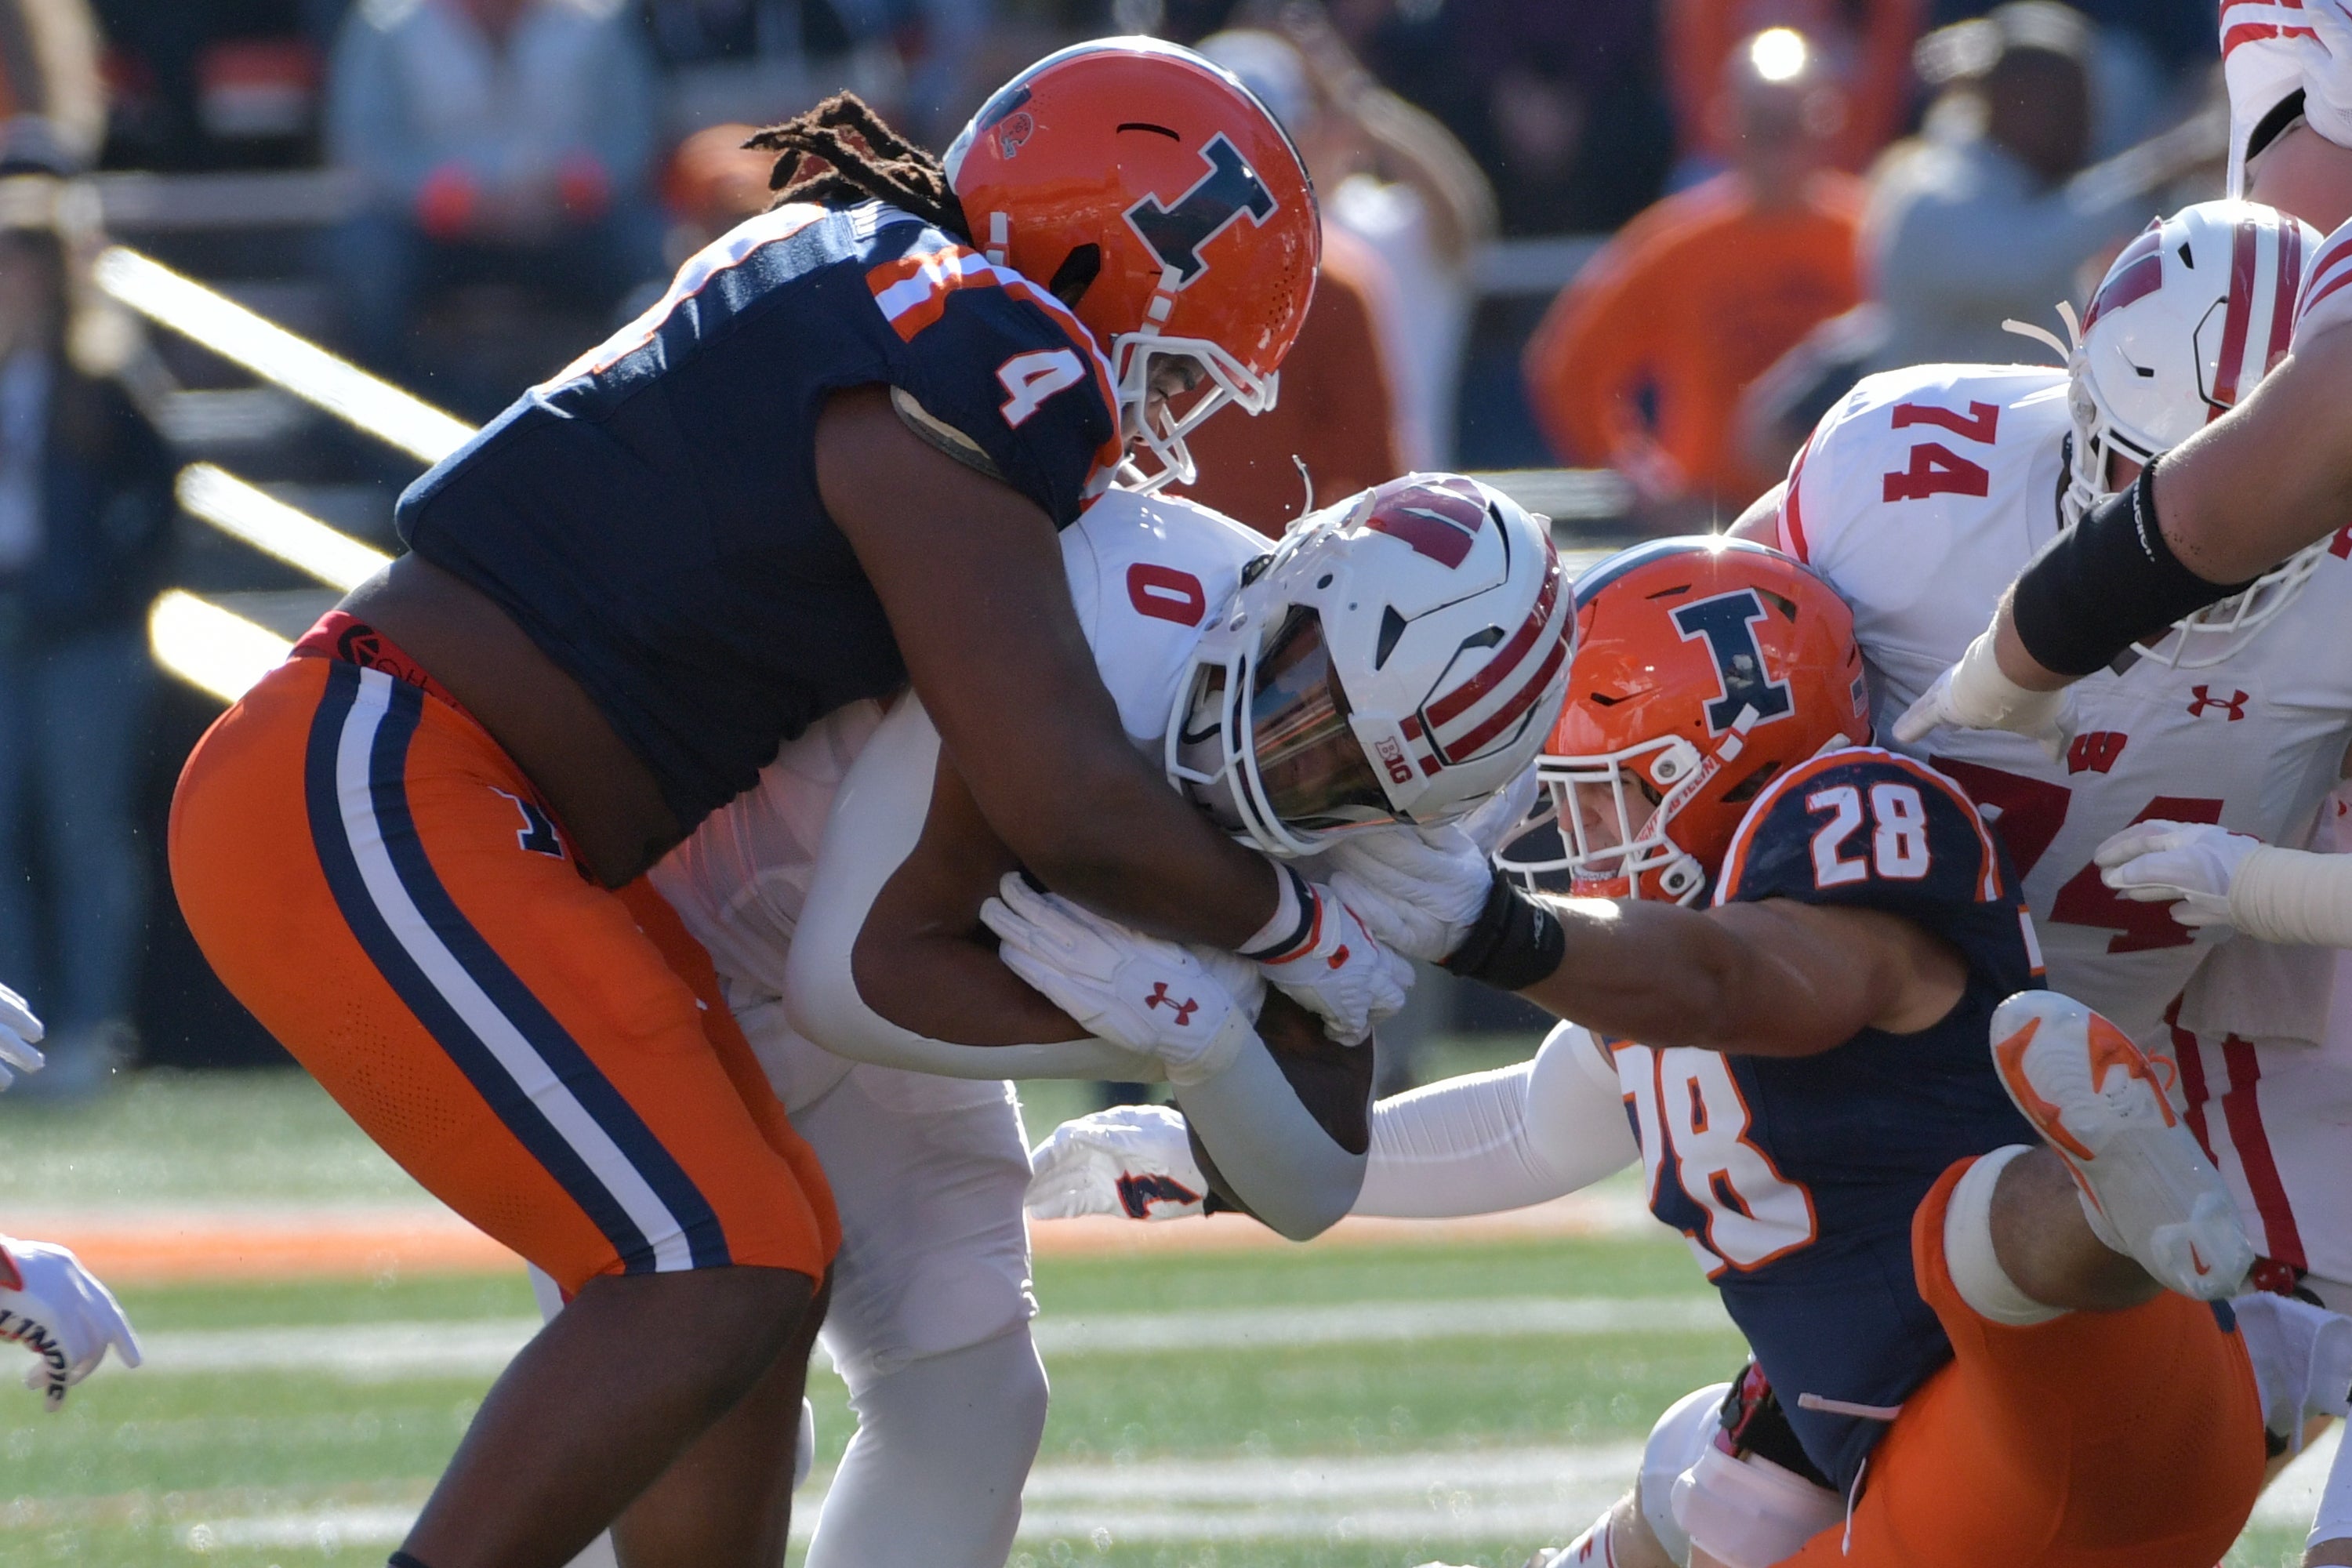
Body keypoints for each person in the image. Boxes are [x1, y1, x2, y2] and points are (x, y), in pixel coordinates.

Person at [169, 41, 1340, 1568]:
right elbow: (1065, 793)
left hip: (474, 806)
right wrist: (1300, 929)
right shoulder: (984, 347)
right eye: (1177, 366)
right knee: (704, 1265)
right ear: (1095, 261)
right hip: (389, 778)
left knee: (765, 1262)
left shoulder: (860, 269)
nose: (1168, 421)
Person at [1018, 538, 2272, 1567]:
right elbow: (1522, 1128)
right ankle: (2110, 1183)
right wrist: (1210, 1161)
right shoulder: (1659, 984)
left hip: (2061, 1393)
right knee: (1709, 1485)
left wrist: (1502, 931)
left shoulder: (1835, 828)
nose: (1580, 824)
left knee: (1973, 1237)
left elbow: (1749, 981)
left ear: (1716, 763)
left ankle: (2109, 1196)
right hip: (1917, 1472)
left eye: (1609, 785)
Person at [651, 471, 1566, 1564]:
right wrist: (1178, 1014)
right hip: (670, 947)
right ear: (1290, 583)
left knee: (970, 1388)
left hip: (861, 978)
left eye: (1344, 774)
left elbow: (1316, 1181)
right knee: (708, 1391)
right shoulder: (1115, 597)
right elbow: (848, 974)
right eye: (1299, 694)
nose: (1278, 766)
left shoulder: (1365, 827)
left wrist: (1211, 1045)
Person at [0, 132, 176, 1100]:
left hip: (82, 637)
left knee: (84, 833)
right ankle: (13, 1036)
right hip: (4, 627)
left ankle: (89, 1031)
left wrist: (109, 590)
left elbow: (159, 502)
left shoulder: (102, 370)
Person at [1523, 29, 1864, 526]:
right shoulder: (1675, 243)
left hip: (1846, 514)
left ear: (1827, 119)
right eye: (1761, 124)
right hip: (1716, 523)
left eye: (1788, 123)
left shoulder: (1876, 237)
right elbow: (1569, 368)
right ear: (1724, 123)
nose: (1777, 142)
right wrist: (1641, 478)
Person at [324, 0, 668, 385]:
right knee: (367, 262)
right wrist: (451, 199)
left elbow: (629, 134)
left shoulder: (598, 18)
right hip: (436, 231)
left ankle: (634, 399)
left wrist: (572, 189)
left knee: (648, 255)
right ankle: (379, 420)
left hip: (568, 221)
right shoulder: (388, 21)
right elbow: (367, 142)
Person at [1860, 2, 2188, 373]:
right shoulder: (1932, 189)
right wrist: (2154, 171)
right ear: (2012, 102)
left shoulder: (2027, 190)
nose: (2086, 127)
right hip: (1928, 427)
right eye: (2065, 105)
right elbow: (2019, 261)